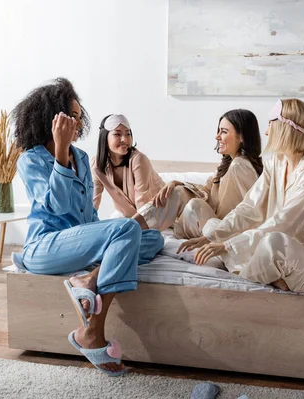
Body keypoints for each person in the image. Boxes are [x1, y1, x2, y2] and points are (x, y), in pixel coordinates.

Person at [13, 78, 163, 376]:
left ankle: (90, 279)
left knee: (154, 238)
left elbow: (86, 216)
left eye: (80, 116)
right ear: (52, 119)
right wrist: (59, 152)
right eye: (73, 116)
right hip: (47, 246)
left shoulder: (81, 158)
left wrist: (107, 239)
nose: (79, 122)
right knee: (126, 230)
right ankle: (92, 331)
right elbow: (57, 206)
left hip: (80, 247)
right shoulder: (31, 160)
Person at [178, 99, 304, 293]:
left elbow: (285, 223)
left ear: (284, 128)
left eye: (270, 125)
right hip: (272, 249)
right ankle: (267, 274)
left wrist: (228, 246)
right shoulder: (276, 162)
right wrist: (211, 237)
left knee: (274, 242)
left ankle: (248, 271)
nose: (266, 132)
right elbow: (250, 207)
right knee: (212, 226)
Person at [135, 109, 263, 238]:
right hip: (210, 223)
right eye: (218, 131)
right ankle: (129, 227)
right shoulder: (228, 164)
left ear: (242, 137)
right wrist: (177, 183)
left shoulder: (240, 166)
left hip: (221, 230)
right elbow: (206, 191)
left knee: (194, 204)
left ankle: (129, 228)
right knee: (178, 191)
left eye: (223, 131)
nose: (217, 137)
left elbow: (253, 210)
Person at [91, 114, 165, 219]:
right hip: (135, 218)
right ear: (105, 138)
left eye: (128, 134)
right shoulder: (97, 164)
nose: (125, 139)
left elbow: (142, 202)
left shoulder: (138, 160)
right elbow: (94, 200)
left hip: (162, 213)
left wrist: (137, 229)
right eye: (117, 134)